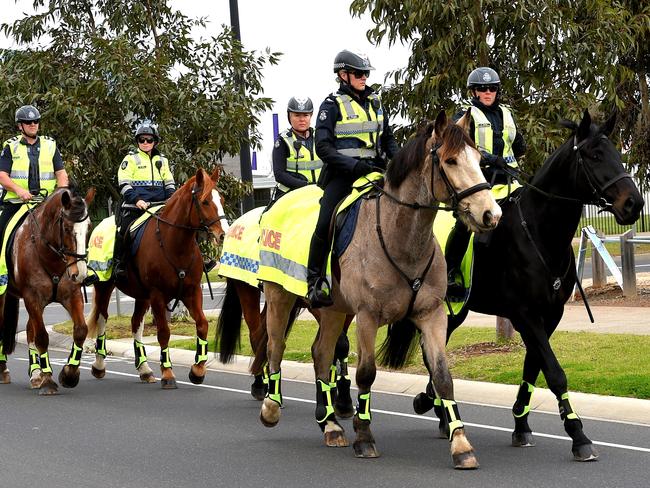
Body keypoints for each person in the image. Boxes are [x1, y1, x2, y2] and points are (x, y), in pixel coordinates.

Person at [306, 49, 399, 308]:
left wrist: (402, 161)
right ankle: (315, 281)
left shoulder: (376, 102)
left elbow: (387, 138)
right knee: (325, 220)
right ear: (343, 75)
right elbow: (323, 148)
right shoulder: (331, 105)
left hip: (377, 172)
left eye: (366, 73)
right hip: (344, 176)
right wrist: (355, 166)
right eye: (359, 73)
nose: (364, 77)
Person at [445, 67, 527, 298]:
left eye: (492, 88)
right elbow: (457, 147)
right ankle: (449, 272)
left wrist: (515, 154)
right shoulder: (464, 117)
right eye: (482, 89)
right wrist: (491, 159)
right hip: (479, 179)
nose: (488, 92)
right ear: (474, 92)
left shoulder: (507, 113)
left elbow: (518, 145)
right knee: (464, 225)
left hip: (510, 177)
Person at [113, 121, 176, 279]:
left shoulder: (163, 160)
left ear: (155, 141)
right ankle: (119, 265)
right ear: (137, 141)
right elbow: (124, 184)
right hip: (137, 206)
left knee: (185, 224)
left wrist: (171, 199)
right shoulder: (131, 159)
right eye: (142, 140)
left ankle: (200, 261)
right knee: (124, 231)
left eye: (149, 140)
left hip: (161, 205)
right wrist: (137, 200)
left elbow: (169, 183)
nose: (146, 143)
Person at [0, 105, 69, 244]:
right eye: (28, 122)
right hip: (17, 203)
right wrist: (19, 191)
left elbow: (61, 174)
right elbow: (2, 176)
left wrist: (61, 195)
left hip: (45, 202)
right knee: (1, 231)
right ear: (20, 126)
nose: (33, 124)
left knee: (72, 228)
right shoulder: (10, 146)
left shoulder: (50, 145)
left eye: (36, 121)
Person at [270, 96, 322, 202]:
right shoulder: (283, 141)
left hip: (319, 192)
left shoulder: (321, 137)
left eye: (306, 115)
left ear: (311, 116)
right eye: (297, 115)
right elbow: (279, 174)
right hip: (290, 194)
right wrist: (306, 186)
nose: (302, 119)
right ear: (289, 116)